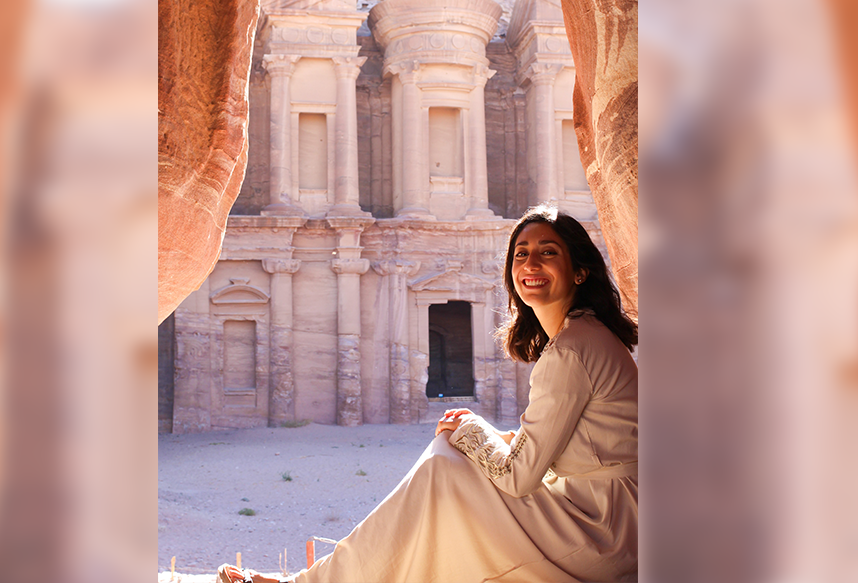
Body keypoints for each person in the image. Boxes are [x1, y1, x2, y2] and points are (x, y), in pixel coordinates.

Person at [219, 204, 638, 583]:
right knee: (451, 458)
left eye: (548, 252)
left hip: (602, 531)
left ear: (579, 272)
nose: (531, 262)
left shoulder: (570, 351)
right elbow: (557, 445)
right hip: (614, 518)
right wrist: (473, 434)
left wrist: (472, 429)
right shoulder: (583, 336)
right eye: (520, 253)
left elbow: (520, 474)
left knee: (443, 468)